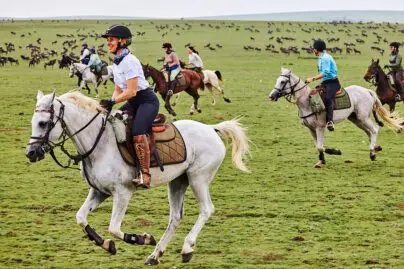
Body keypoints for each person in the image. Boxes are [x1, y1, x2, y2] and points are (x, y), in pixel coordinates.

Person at [99, 24, 159, 189]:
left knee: (137, 132)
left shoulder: (130, 61)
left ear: (122, 41)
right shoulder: (117, 62)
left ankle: (145, 174)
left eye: (111, 40)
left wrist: (113, 102)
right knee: (111, 122)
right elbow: (118, 89)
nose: (108, 43)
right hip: (132, 101)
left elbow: (132, 91)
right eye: (108, 40)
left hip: (146, 101)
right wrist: (109, 106)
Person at [305, 39, 340, 131]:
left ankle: (330, 121)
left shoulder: (325, 58)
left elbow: (325, 73)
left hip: (333, 83)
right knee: (314, 95)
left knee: (328, 98)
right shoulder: (321, 58)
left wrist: (312, 79)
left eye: (314, 49)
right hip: (325, 83)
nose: (313, 50)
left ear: (317, 49)